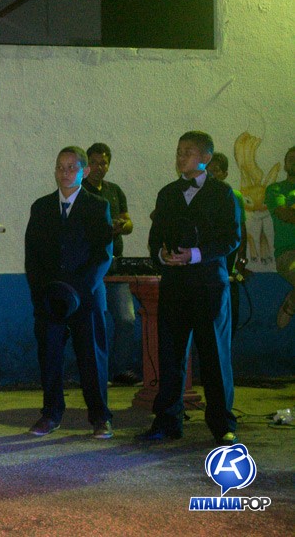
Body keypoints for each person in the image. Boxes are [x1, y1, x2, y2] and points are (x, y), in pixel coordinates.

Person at [139, 131, 240, 445]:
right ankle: (167, 421)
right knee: (170, 356)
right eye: (179, 151)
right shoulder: (167, 193)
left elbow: (231, 238)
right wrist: (162, 256)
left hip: (209, 286)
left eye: (188, 152)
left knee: (214, 356)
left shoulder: (223, 194)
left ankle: (222, 424)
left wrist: (194, 255)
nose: (181, 156)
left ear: (206, 158)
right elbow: (155, 239)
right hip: (175, 286)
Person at [24, 146, 114, 439]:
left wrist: (78, 291)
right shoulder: (41, 207)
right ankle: (51, 414)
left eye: (71, 167)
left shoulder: (98, 206)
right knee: (49, 356)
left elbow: (103, 255)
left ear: (84, 172)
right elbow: (32, 256)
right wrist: (42, 293)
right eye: (60, 167)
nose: (64, 173)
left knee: (92, 357)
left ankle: (100, 417)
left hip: (86, 297)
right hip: (51, 299)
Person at [82, 143, 139, 385]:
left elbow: (129, 223)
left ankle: (120, 370)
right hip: (90, 267)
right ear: (86, 165)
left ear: (108, 165)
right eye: (94, 162)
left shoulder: (115, 191)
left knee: (126, 319)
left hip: (116, 267)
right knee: (96, 321)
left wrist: (121, 226)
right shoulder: (79, 191)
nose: (99, 167)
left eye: (103, 163)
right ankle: (95, 372)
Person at [207, 152, 251, 331]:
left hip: (228, 258)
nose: (211, 174)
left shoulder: (234, 195)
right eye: (208, 170)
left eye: (216, 170)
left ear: (224, 174)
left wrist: (242, 258)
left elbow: (241, 229)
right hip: (206, 258)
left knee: (230, 307)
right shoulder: (198, 196)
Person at [265, 146, 295, 328]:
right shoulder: (276, 189)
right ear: (285, 165)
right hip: (288, 253)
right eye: (290, 158)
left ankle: (291, 302)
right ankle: (290, 306)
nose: (294, 161)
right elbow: (284, 214)